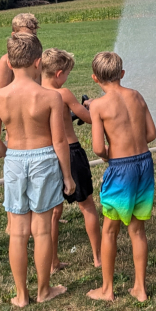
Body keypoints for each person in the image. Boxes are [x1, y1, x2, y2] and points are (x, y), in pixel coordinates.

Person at [0, 33, 75, 307]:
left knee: (17, 231)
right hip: (44, 160)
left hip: (14, 159)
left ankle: (22, 295)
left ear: (10, 64)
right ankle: (44, 290)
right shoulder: (50, 97)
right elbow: (60, 140)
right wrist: (68, 176)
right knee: (43, 230)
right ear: (38, 63)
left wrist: (9, 154)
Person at [86, 52, 156, 303]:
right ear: (122, 74)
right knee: (137, 230)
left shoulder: (98, 106)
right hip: (144, 165)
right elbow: (151, 133)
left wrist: (109, 155)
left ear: (95, 78)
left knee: (110, 231)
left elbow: (97, 147)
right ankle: (140, 288)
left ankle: (107, 290)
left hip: (121, 169)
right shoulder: (136, 95)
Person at [41, 48, 103, 273]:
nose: (67, 78)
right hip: (71, 152)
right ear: (59, 74)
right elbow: (88, 119)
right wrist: (90, 106)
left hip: (46, 155)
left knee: (53, 212)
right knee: (86, 205)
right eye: (67, 73)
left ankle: (52, 262)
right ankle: (98, 258)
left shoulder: (36, 93)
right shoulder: (63, 93)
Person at [0, 13, 39, 88]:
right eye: (24, 36)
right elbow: (2, 90)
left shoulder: (39, 58)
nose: (30, 39)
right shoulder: (6, 60)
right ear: (13, 35)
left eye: (33, 35)